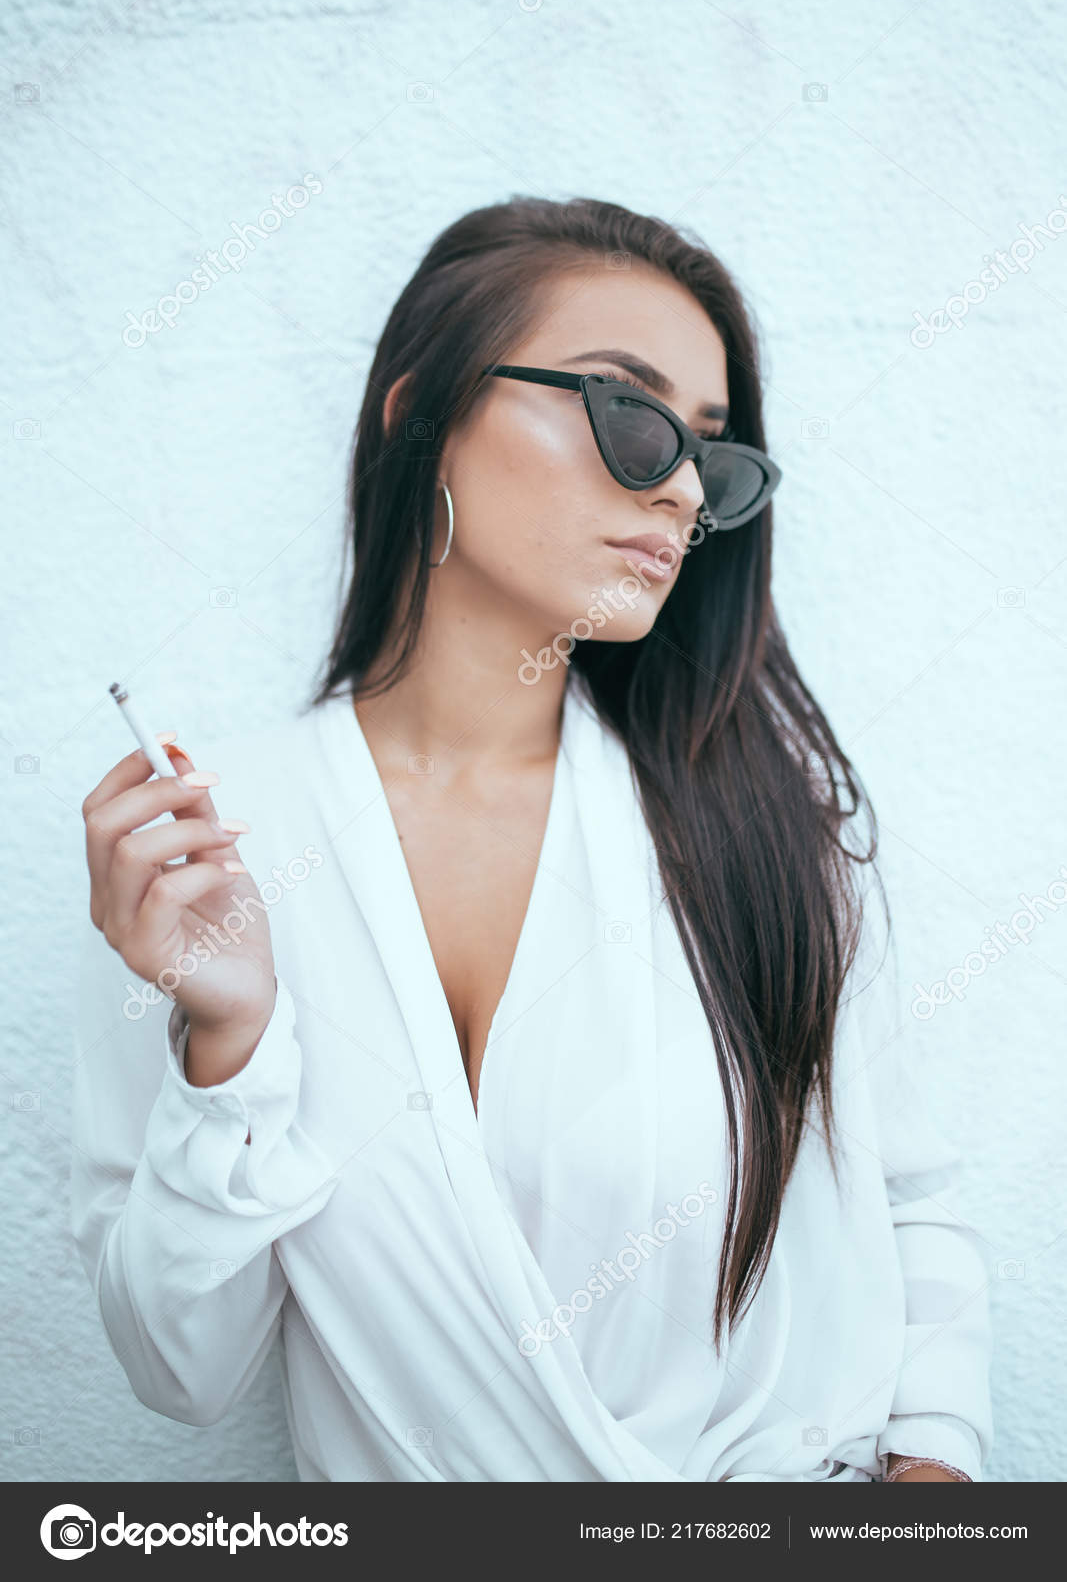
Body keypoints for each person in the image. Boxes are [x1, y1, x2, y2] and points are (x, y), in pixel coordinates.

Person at [72, 195, 993, 1483]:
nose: (677, 487)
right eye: (629, 416)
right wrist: (224, 1043)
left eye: (710, 458)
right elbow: (182, 1370)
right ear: (422, 420)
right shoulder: (208, 849)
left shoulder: (765, 829)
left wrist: (936, 1485)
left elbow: (907, 1200)